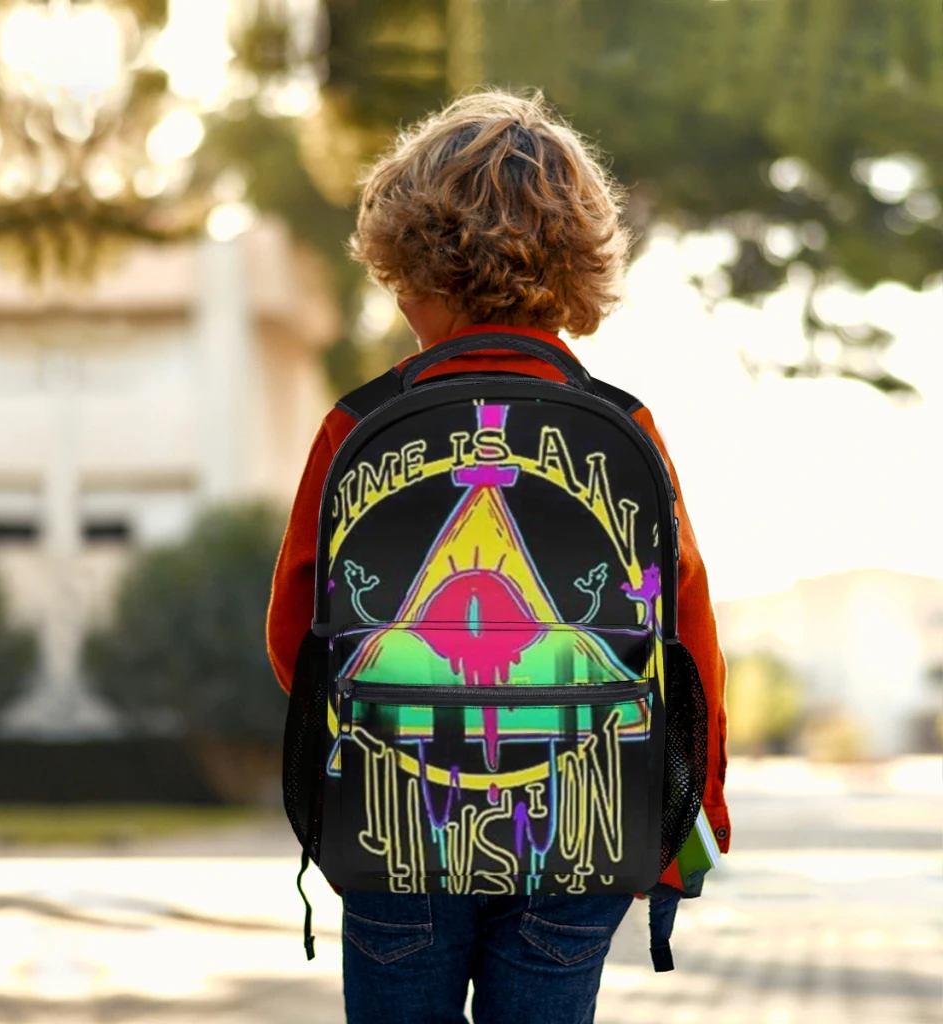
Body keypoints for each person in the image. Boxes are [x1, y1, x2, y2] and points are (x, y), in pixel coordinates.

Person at [267, 89, 729, 1024]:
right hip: (581, 830)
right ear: (578, 268)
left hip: (396, 826)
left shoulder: (356, 426)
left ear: (411, 269)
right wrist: (691, 812)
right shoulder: (626, 427)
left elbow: (295, 636)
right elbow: (687, 637)